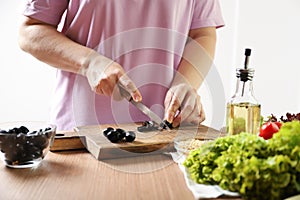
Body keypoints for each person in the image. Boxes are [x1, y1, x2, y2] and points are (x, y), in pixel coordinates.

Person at [18, 0, 224, 131]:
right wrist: (90, 63)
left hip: (165, 135)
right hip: (78, 134)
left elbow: (202, 33)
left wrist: (185, 82)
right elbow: (31, 31)